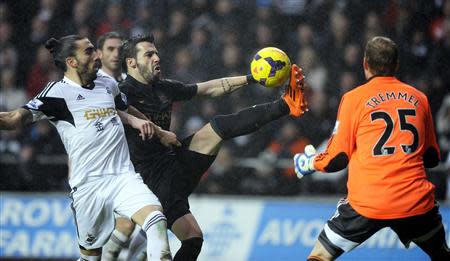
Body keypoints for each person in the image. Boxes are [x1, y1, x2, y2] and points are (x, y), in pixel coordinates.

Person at [114, 34, 307, 261]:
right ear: (131, 62)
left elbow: (209, 89)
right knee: (192, 238)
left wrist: (251, 78)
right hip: (149, 180)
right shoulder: (122, 93)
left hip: (173, 163)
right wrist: (159, 132)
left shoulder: (163, 88)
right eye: (149, 54)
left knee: (218, 128)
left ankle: (286, 104)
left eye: (156, 53)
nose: (157, 58)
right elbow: (112, 111)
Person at [0, 35, 180, 261]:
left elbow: (125, 108)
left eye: (95, 50)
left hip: (123, 177)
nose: (97, 56)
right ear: (71, 62)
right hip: (88, 187)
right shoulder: (57, 93)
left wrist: (159, 131)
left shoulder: (107, 84)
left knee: (156, 220)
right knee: (90, 257)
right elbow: (14, 118)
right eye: (89, 52)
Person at [294, 36, 450, 261]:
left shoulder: (353, 98)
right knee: (441, 254)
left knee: (320, 256)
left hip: (368, 203)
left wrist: (309, 163)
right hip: (414, 201)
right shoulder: (420, 99)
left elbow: (337, 158)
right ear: (396, 65)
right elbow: (432, 157)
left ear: (365, 63)